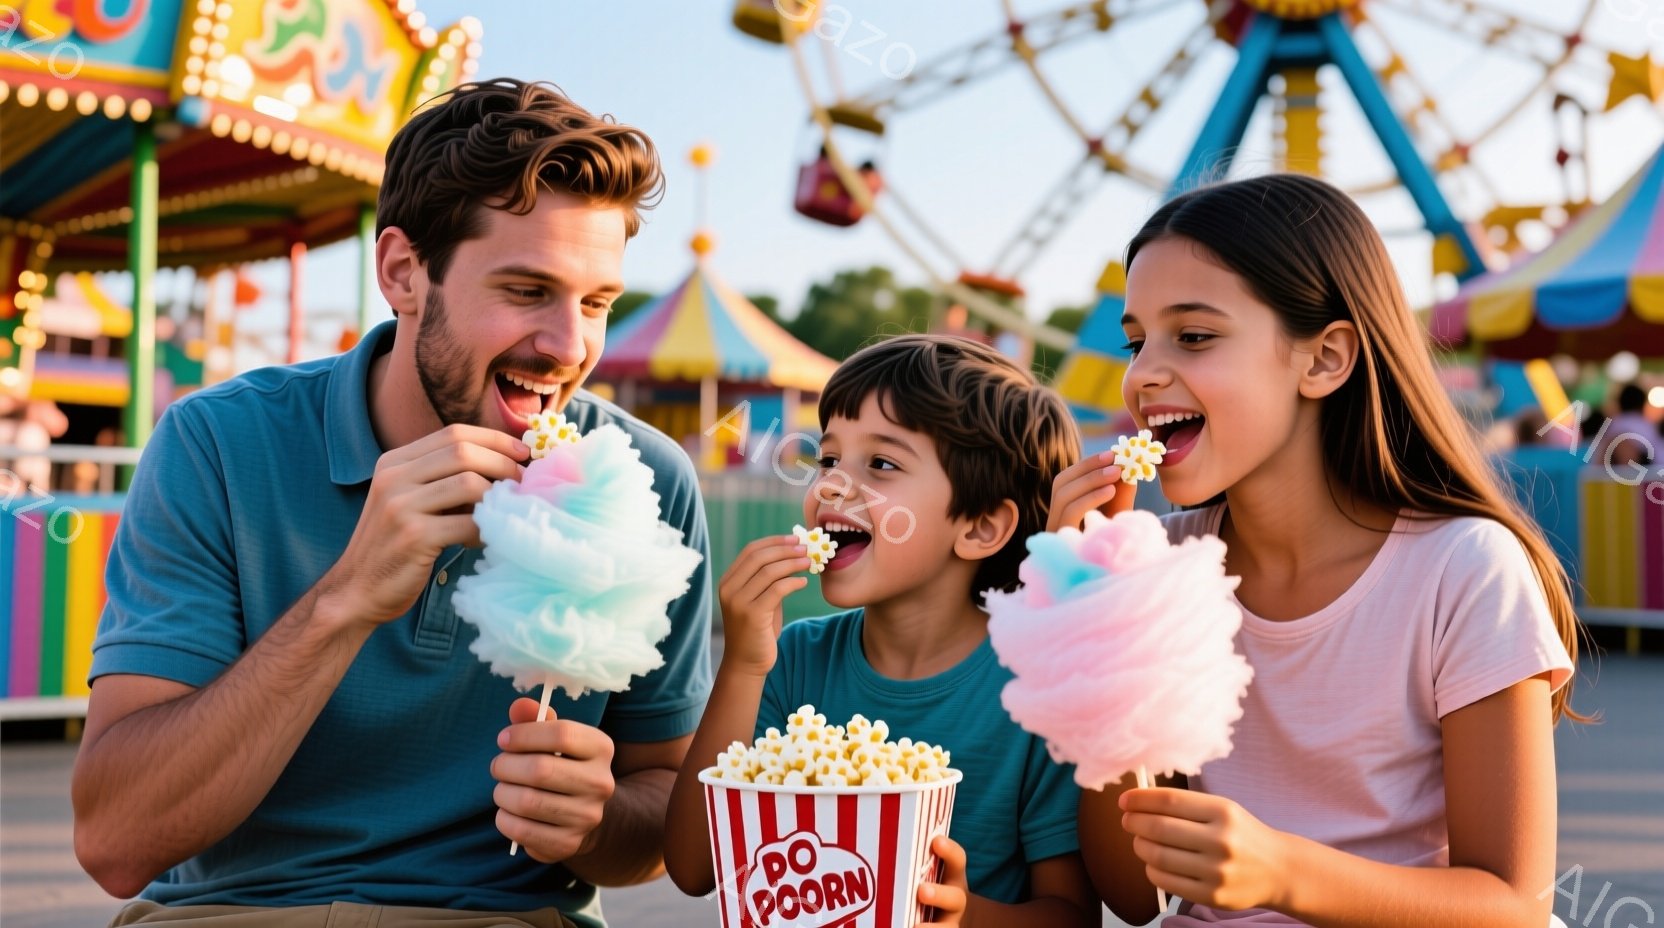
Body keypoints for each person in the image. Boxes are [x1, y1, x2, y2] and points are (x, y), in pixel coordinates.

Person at [73, 79, 712, 928]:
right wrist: (345, 599)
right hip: (230, 915)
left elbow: (663, 821)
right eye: (527, 291)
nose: (569, 347)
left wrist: (596, 823)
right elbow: (117, 843)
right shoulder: (218, 446)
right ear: (403, 273)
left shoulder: (646, 479)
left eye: (596, 303)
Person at [1049, 174, 1583, 927]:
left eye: (1193, 336)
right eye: (1136, 342)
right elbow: (1135, 895)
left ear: (1326, 359)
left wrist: (1284, 872)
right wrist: (1094, 615)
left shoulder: (1464, 569)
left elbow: (1514, 905)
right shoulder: (1159, 568)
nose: (1142, 375)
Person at [664, 335, 1099, 927]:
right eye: (828, 459)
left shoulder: (1039, 691)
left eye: (882, 465)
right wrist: (742, 665)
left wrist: (966, 917)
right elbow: (694, 867)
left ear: (979, 527)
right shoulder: (793, 659)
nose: (830, 486)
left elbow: (1073, 915)